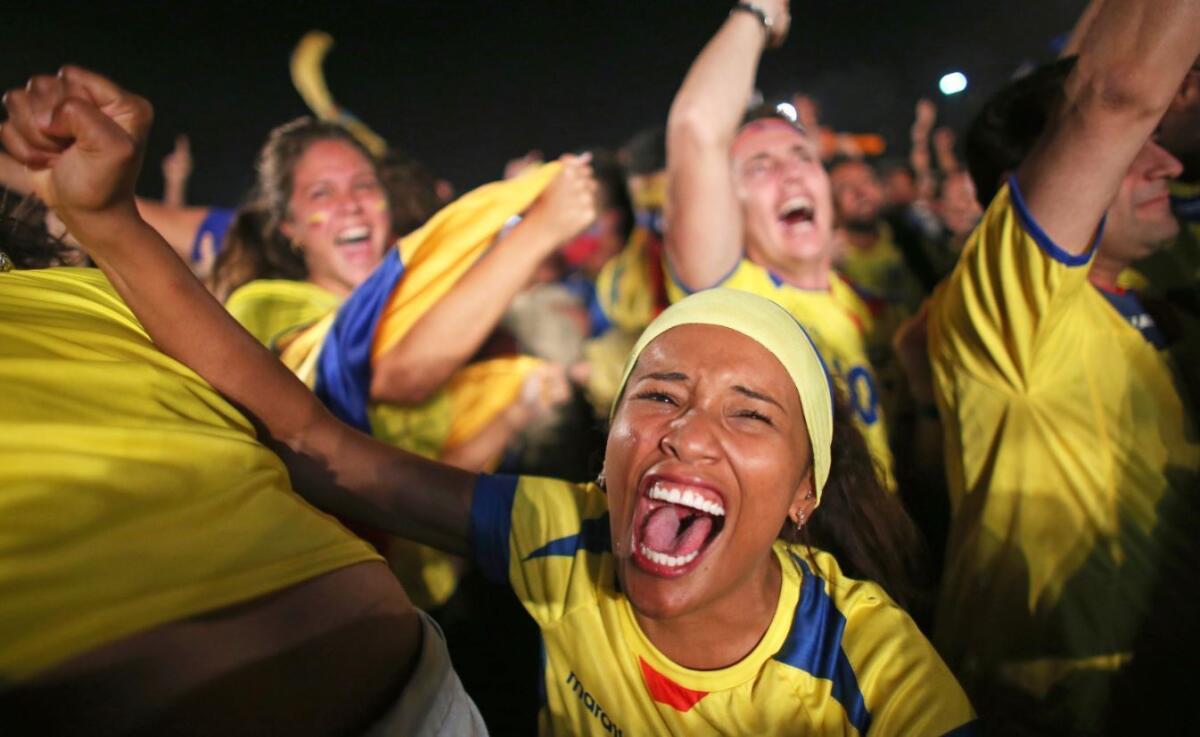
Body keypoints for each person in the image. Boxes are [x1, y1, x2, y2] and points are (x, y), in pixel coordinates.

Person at [1, 63, 979, 736]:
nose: (685, 431)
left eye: (750, 412)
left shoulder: (874, 668)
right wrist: (108, 221)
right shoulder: (557, 530)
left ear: (804, 492)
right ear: (604, 450)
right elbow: (306, 428)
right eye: (662, 391)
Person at [929, 0, 1200, 731]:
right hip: (1057, 701)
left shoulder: (1156, 285)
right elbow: (1115, 94)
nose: (1169, 163)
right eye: (1139, 145)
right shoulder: (1013, 307)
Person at [663, 0, 896, 489]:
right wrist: (757, 11)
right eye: (760, 167)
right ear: (731, 206)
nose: (790, 172)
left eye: (800, 157)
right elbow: (696, 129)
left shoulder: (867, 308)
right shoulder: (733, 297)